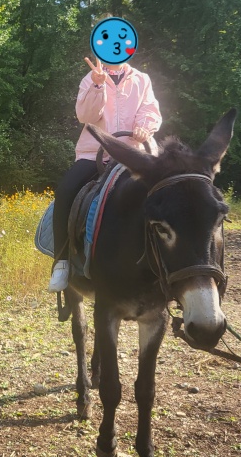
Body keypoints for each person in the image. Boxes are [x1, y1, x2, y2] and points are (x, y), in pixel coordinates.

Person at [48, 50, 162, 292]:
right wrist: (98, 86)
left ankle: (171, 261)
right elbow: (86, 116)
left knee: (169, 190)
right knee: (66, 191)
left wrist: (144, 127)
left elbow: (150, 109)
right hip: (95, 152)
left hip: (135, 152)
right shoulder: (90, 79)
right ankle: (62, 262)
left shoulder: (142, 79)